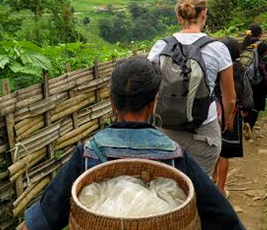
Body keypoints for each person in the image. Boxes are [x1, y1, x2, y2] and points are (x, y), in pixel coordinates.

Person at [22, 57, 246, 230]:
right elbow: (223, 218)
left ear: (112, 100)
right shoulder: (175, 156)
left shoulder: (88, 154)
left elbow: (44, 217)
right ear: (154, 103)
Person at [147, 0, 236, 176]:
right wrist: (227, 121)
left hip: (165, 130)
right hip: (204, 131)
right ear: (204, 13)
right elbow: (230, 98)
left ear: (178, 16)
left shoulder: (159, 47)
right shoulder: (218, 49)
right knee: (200, 187)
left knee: (168, 185)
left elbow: (151, 91)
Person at [213, 37, 254, 196]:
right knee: (225, 153)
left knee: (214, 147)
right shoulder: (239, 70)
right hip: (232, 115)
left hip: (212, 114)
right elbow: (247, 96)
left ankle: (213, 178)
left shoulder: (213, 67)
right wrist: (245, 110)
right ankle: (221, 188)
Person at [240, 23, 267, 140]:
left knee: (247, 103)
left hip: (245, 80)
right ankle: (249, 124)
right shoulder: (262, 46)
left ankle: (245, 122)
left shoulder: (244, 44)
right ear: (260, 34)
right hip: (259, 80)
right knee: (258, 104)